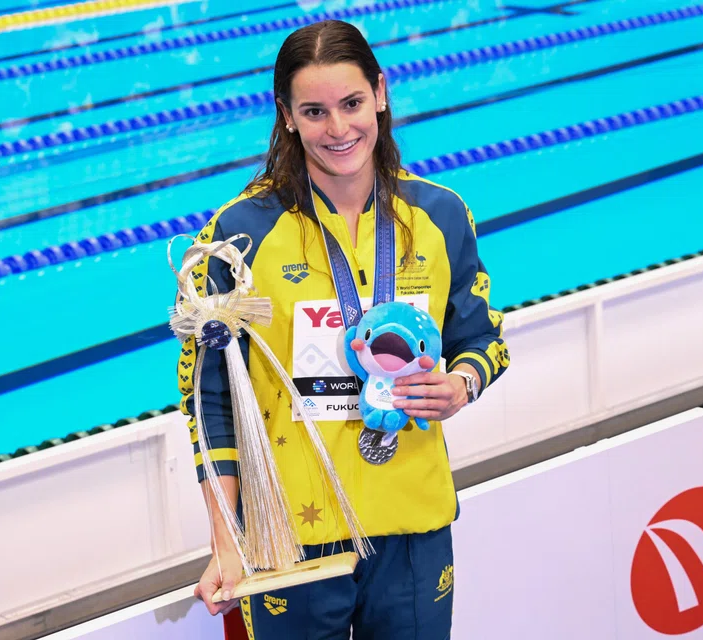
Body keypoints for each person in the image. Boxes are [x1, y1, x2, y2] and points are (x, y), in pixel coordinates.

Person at [175, 19, 509, 639]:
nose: (338, 128)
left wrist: (460, 384)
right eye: (315, 111)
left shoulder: (439, 215)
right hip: (291, 537)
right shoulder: (240, 235)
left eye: (352, 103)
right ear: (287, 116)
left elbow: (483, 340)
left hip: (412, 521)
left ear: (380, 93)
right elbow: (209, 398)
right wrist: (226, 539)